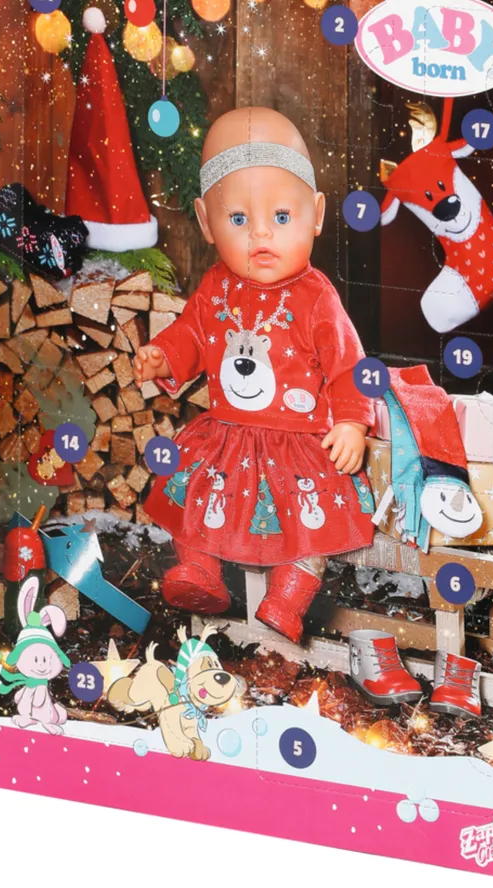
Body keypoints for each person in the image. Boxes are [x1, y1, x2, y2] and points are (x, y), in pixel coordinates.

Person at [133, 107, 375, 642]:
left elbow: (348, 365)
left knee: (312, 511)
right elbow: (193, 335)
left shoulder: (316, 297)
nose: (261, 233)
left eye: (282, 217)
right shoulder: (216, 287)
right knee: (193, 483)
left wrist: (352, 422)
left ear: (315, 214)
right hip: (228, 434)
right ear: (205, 222)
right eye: (239, 219)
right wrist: (164, 356)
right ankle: (199, 571)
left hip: (298, 441)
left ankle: (290, 595)